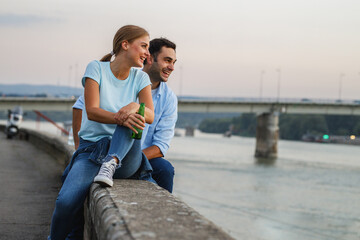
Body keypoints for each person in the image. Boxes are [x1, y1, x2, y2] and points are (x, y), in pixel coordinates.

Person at [48, 25, 154, 240]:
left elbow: (150, 115)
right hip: (91, 152)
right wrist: (121, 115)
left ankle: (111, 161)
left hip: (125, 158)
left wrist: (133, 107)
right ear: (125, 45)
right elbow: (92, 111)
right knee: (65, 202)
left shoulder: (141, 78)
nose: (147, 53)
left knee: (133, 117)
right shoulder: (96, 68)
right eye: (143, 46)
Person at [71, 37, 178, 193]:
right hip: (106, 150)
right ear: (149, 57)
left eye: (174, 62)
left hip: (140, 155)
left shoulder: (169, 98)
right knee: (128, 120)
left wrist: (132, 159)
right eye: (167, 61)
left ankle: (163, 213)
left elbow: (160, 146)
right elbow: (80, 107)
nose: (172, 67)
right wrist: (78, 148)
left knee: (165, 169)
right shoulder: (126, 77)